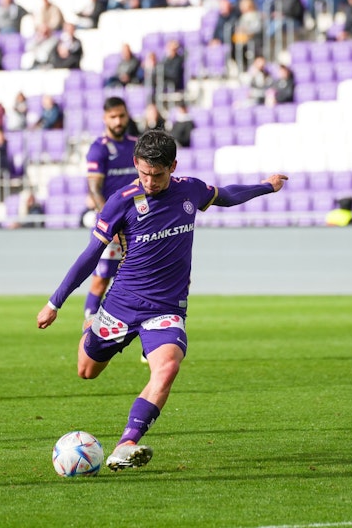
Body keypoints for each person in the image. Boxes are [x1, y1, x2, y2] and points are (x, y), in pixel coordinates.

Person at [37, 130, 287, 470]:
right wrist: (55, 303)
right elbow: (90, 256)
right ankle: (90, 329)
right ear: (136, 165)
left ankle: (126, 443)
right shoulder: (121, 201)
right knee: (86, 371)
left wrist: (265, 186)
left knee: (167, 367)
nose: (150, 182)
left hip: (166, 308)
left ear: (173, 166)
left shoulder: (190, 189)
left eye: (157, 175)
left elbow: (225, 195)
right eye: (143, 174)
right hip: (121, 305)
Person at [83, 97, 139, 323]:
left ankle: (149, 341)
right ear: (105, 118)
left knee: (140, 280)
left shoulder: (137, 144)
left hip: (137, 224)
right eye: (113, 117)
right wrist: (110, 222)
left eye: (121, 116)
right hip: (111, 225)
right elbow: (95, 189)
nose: (118, 121)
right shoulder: (99, 149)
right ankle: (88, 328)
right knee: (101, 278)